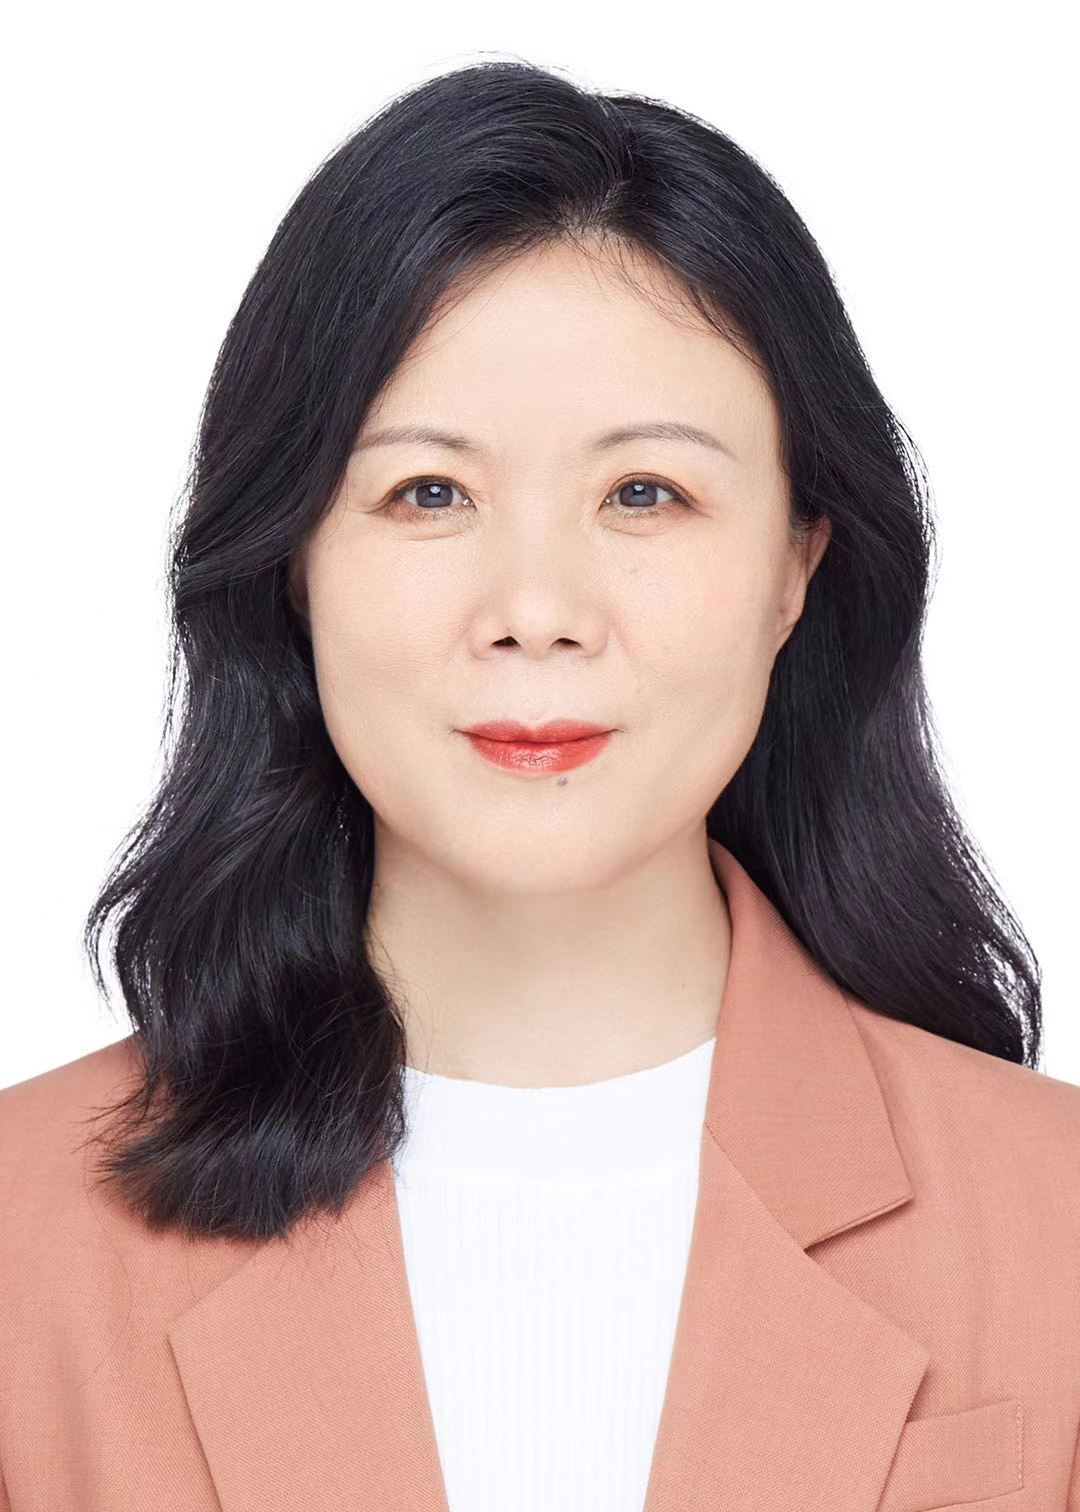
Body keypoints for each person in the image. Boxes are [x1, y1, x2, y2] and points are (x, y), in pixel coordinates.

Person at [1, 57, 1077, 1512]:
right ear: (293, 564)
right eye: (428, 493)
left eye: (645, 494)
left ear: (795, 567)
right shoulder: (20, 1245)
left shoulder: (1055, 1225)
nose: (536, 609)